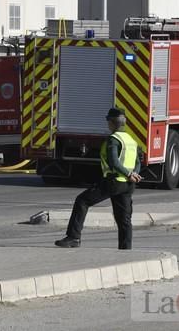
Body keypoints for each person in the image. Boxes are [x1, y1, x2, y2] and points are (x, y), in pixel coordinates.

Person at [55, 107, 142, 250]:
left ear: (112, 123)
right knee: (124, 219)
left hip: (114, 182)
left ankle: (73, 237)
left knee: (82, 201)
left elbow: (114, 162)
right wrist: (134, 175)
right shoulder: (131, 140)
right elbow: (138, 162)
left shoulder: (113, 140)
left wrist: (127, 174)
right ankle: (126, 250)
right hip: (128, 185)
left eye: (108, 121)